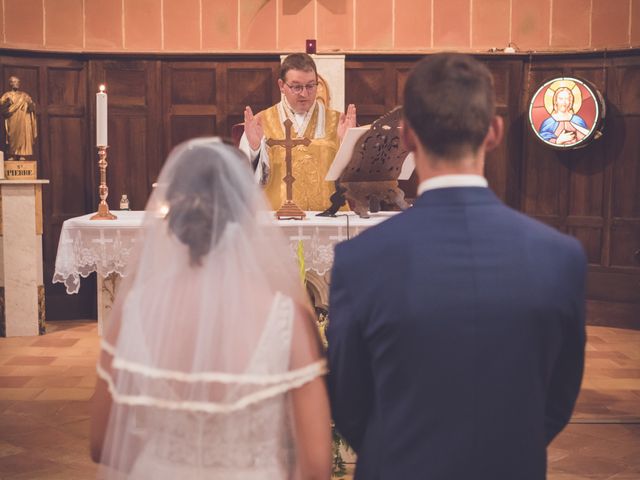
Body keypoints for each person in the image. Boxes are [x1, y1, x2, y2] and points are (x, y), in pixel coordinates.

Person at [327, 53, 587, 479]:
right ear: (495, 132)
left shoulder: (360, 260)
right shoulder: (560, 256)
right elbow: (558, 396)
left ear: (408, 136)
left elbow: (349, 400)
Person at [90, 138, 331, 479]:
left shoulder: (134, 310)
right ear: (249, 209)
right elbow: (316, 466)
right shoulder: (286, 318)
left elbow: (102, 442)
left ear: (171, 210)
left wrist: (168, 461)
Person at [240, 53, 356, 211]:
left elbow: (354, 180)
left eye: (310, 86)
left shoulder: (339, 122)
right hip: (278, 221)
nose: (304, 94)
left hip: (328, 220)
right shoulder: (260, 123)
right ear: (282, 85)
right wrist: (255, 150)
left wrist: (348, 143)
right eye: (296, 87)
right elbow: (242, 181)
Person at [0, 76, 38, 159]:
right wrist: (8, 103)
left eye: (17, 82)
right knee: (12, 136)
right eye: (14, 82)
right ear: (10, 83)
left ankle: (22, 154)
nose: (16, 84)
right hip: (12, 119)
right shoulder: (6, 95)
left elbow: (32, 108)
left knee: (23, 135)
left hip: (23, 119)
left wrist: (29, 103)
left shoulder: (24, 95)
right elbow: (2, 108)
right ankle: (12, 154)